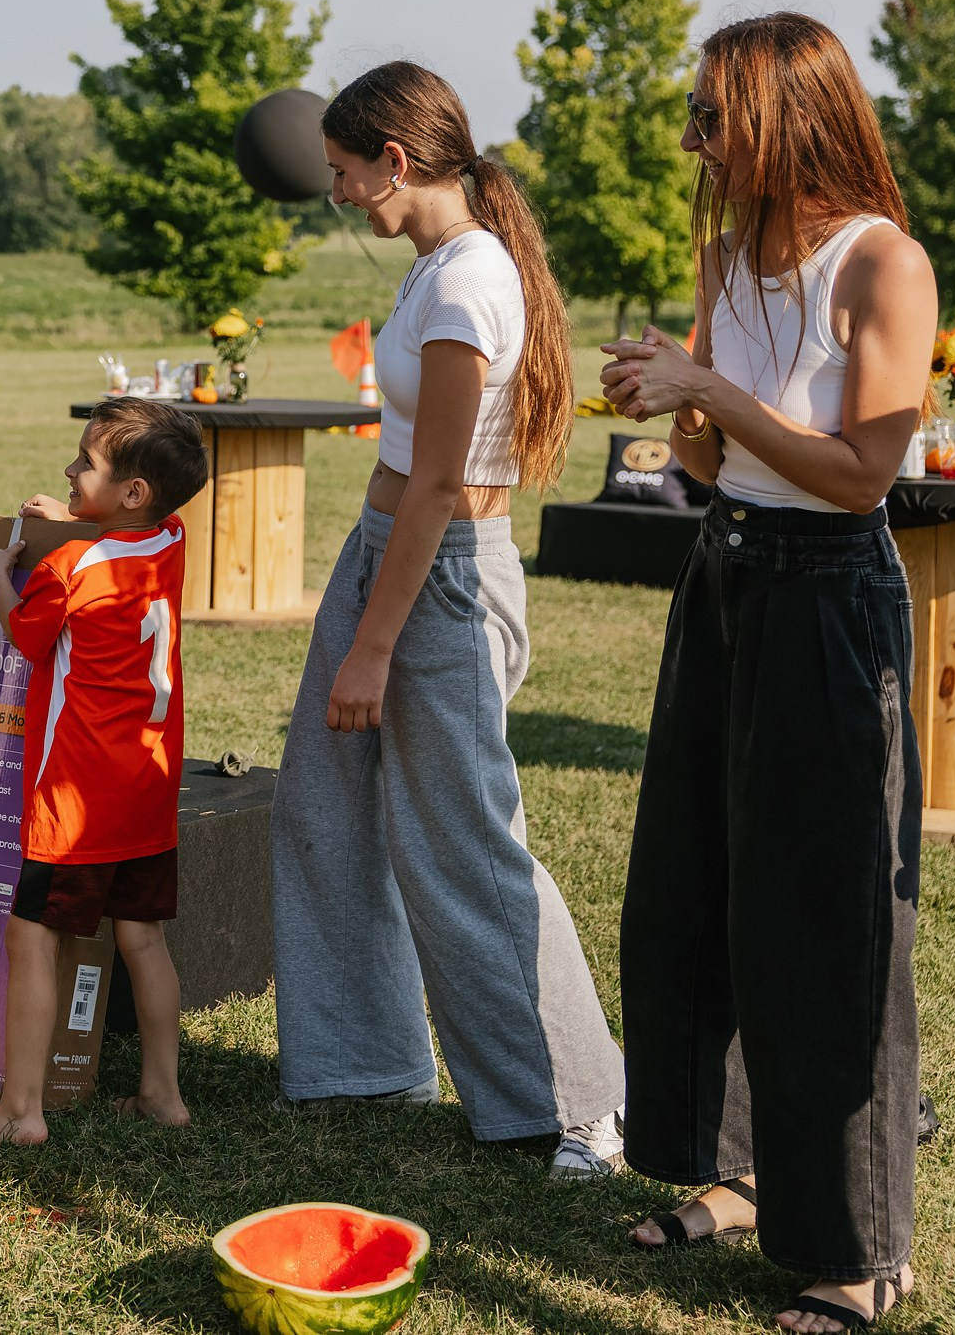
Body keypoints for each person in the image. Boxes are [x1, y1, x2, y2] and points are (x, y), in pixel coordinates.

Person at [600, 12, 934, 1335]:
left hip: (829, 593)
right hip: (726, 574)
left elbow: (861, 472)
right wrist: (670, 400)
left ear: (784, 120)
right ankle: (740, 1175)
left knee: (829, 924)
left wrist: (713, 392)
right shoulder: (729, 256)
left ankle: (861, 1247)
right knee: (701, 886)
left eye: (711, 116)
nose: (694, 139)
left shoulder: (883, 262)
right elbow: (707, 458)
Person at [270, 61, 626, 1181]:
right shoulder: (434, 266)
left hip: (441, 577)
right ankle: (362, 1062)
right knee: (324, 800)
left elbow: (438, 484)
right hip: (381, 552)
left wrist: (373, 646)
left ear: (395, 160)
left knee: (464, 838)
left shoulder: (471, 280)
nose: (338, 195)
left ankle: (586, 1104)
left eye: (344, 173)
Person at [0, 396, 205, 1147]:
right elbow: (117, 545)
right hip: (148, 789)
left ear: (132, 491)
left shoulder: (65, 567)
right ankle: (163, 1092)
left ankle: (21, 1110)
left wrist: (0, 574)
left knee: (31, 937)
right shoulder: (173, 536)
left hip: (75, 797)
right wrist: (74, 516)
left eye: (84, 463)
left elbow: (30, 636)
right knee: (142, 938)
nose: (68, 468)